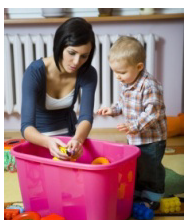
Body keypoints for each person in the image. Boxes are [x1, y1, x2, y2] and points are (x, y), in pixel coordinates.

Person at [97, 36, 167, 209]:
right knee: (136, 164)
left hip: (152, 139)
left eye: (122, 72)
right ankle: (137, 191)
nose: (118, 77)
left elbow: (153, 113)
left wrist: (134, 126)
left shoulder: (149, 85)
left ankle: (153, 195)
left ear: (139, 67)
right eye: (115, 72)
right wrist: (113, 110)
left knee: (150, 166)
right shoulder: (128, 81)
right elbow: (123, 102)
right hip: (134, 136)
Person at [21, 17, 97, 160]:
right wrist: (47, 142)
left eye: (84, 56)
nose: (76, 62)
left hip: (69, 137)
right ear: (60, 46)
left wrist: (78, 140)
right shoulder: (34, 72)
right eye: (72, 53)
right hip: (39, 141)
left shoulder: (88, 72)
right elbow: (26, 127)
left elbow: (86, 117)